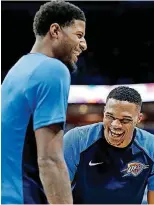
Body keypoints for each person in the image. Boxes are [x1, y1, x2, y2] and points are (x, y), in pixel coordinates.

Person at [1, 1, 87, 204]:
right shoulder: (53, 69)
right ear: (55, 30)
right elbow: (50, 160)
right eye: (79, 35)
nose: (84, 44)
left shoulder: (17, 70)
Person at [64, 86, 154, 204]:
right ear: (104, 112)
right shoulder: (76, 139)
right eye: (110, 116)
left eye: (125, 120)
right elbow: (57, 193)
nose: (115, 125)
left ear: (138, 119)